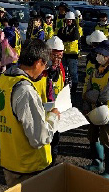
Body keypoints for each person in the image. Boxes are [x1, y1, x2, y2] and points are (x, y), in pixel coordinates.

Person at [0, 39, 60, 187]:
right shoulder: (25, 90)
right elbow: (39, 137)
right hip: (29, 166)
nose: (44, 70)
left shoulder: (4, 79)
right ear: (38, 62)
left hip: (10, 159)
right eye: (44, 65)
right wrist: (53, 117)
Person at [82, 41, 109, 179]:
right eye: (98, 53)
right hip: (95, 111)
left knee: (108, 139)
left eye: (102, 54)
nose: (98, 56)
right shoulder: (96, 70)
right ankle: (97, 162)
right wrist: (87, 102)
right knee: (92, 136)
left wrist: (93, 96)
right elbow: (88, 87)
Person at [46, 36, 66, 165]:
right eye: (54, 56)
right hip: (45, 110)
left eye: (60, 56)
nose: (57, 59)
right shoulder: (41, 69)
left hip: (57, 109)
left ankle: (53, 161)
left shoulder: (61, 68)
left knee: (55, 138)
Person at [57, 11, 80, 94]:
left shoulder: (75, 29)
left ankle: (74, 89)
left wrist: (65, 37)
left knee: (73, 72)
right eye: (67, 20)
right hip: (64, 53)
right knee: (63, 71)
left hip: (72, 54)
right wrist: (66, 37)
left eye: (70, 20)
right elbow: (59, 36)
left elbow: (74, 37)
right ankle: (64, 87)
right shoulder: (63, 29)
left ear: (73, 20)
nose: (68, 21)